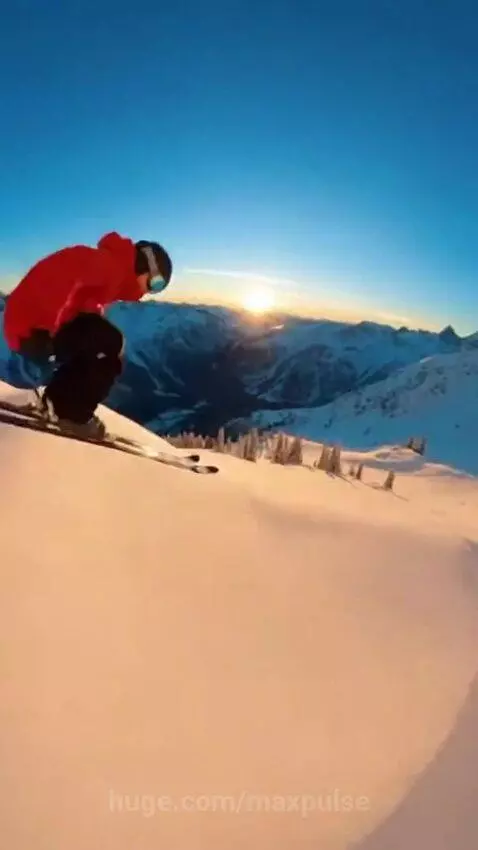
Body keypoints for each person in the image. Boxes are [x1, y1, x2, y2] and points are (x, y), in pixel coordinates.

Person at [3, 232, 172, 437]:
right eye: (156, 284)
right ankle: (71, 413)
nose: (151, 292)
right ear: (146, 266)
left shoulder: (111, 273)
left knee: (101, 343)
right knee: (109, 341)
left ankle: (58, 403)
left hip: (29, 325)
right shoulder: (109, 266)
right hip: (31, 327)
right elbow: (60, 279)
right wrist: (42, 329)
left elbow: (82, 306)